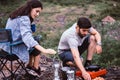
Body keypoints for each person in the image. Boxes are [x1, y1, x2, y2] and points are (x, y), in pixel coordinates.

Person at [0, 0, 56, 77]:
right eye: (36, 11)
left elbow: (27, 33)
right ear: (30, 8)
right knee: (36, 40)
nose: (38, 14)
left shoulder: (15, 15)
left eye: (39, 12)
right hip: (12, 51)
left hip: (4, 48)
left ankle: (30, 66)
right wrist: (44, 50)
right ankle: (35, 67)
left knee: (34, 40)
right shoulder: (24, 18)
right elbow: (27, 37)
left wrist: (31, 22)